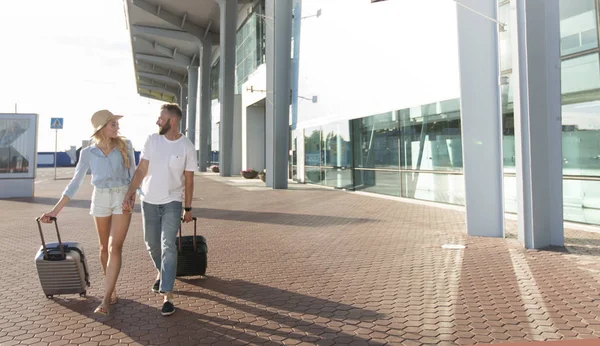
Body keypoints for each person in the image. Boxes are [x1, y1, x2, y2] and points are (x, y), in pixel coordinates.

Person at [40, 110, 135, 316]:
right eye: (113, 124)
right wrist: (55, 210)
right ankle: (113, 289)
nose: (117, 128)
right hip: (100, 197)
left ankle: (105, 299)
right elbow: (75, 182)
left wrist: (131, 197)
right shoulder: (88, 153)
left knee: (114, 246)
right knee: (103, 247)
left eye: (116, 124)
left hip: (121, 197)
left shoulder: (125, 146)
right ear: (101, 128)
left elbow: (133, 176)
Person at [122, 103, 196, 316]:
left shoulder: (186, 147)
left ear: (173, 120)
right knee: (152, 243)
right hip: (149, 202)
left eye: (161, 118)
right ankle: (161, 273)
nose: (157, 121)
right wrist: (129, 193)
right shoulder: (152, 141)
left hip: (172, 201)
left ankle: (167, 295)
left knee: (167, 245)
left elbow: (189, 181)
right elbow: (141, 169)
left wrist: (188, 207)